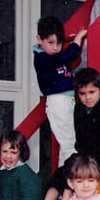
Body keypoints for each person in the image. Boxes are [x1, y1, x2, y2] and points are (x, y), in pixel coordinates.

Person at [41, 67, 100, 200]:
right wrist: (79, 154)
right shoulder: (79, 108)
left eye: (91, 92)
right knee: (63, 170)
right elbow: (80, 133)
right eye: (82, 93)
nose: (87, 97)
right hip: (85, 152)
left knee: (78, 174)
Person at [33, 16, 87, 166]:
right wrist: (77, 39)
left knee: (68, 144)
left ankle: (63, 176)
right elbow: (67, 55)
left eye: (59, 43)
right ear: (39, 39)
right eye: (51, 42)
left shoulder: (54, 57)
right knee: (70, 143)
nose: (56, 47)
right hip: (57, 101)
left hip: (67, 100)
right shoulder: (42, 58)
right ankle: (70, 175)